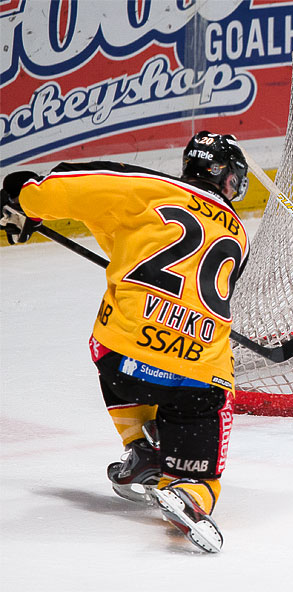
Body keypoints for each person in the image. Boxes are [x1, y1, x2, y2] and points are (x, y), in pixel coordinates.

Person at [0, 131, 251, 552]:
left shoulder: (147, 189)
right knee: (206, 424)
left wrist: (23, 197)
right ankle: (188, 489)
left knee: (112, 335)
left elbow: (72, 187)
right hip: (195, 374)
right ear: (223, 176)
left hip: (122, 363)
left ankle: (140, 447)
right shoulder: (239, 235)